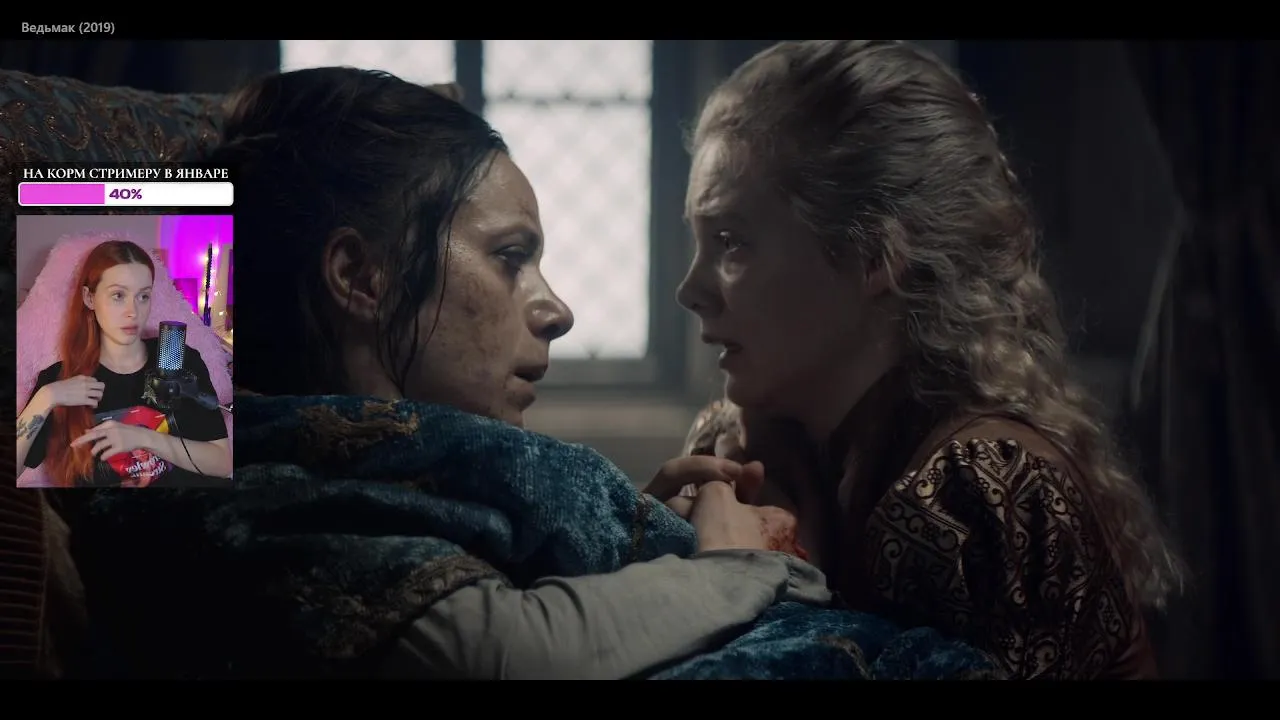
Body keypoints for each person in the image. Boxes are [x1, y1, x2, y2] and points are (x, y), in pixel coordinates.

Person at [60, 68, 833, 680]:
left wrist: (627, 541)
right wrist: (732, 569)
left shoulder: (380, 475)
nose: (557, 310)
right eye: (510, 256)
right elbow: (503, 651)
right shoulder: (230, 491)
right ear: (359, 276)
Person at [660, 39, 1185, 680]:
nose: (690, 290)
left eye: (730, 241)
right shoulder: (748, 448)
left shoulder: (985, 486)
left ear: (875, 255)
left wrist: (757, 587)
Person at [17, 240, 231, 488]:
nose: (133, 311)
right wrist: (45, 399)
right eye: (118, 295)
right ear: (89, 298)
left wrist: (144, 438)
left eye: (143, 296)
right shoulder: (60, 380)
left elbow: (223, 462)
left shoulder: (177, 358)